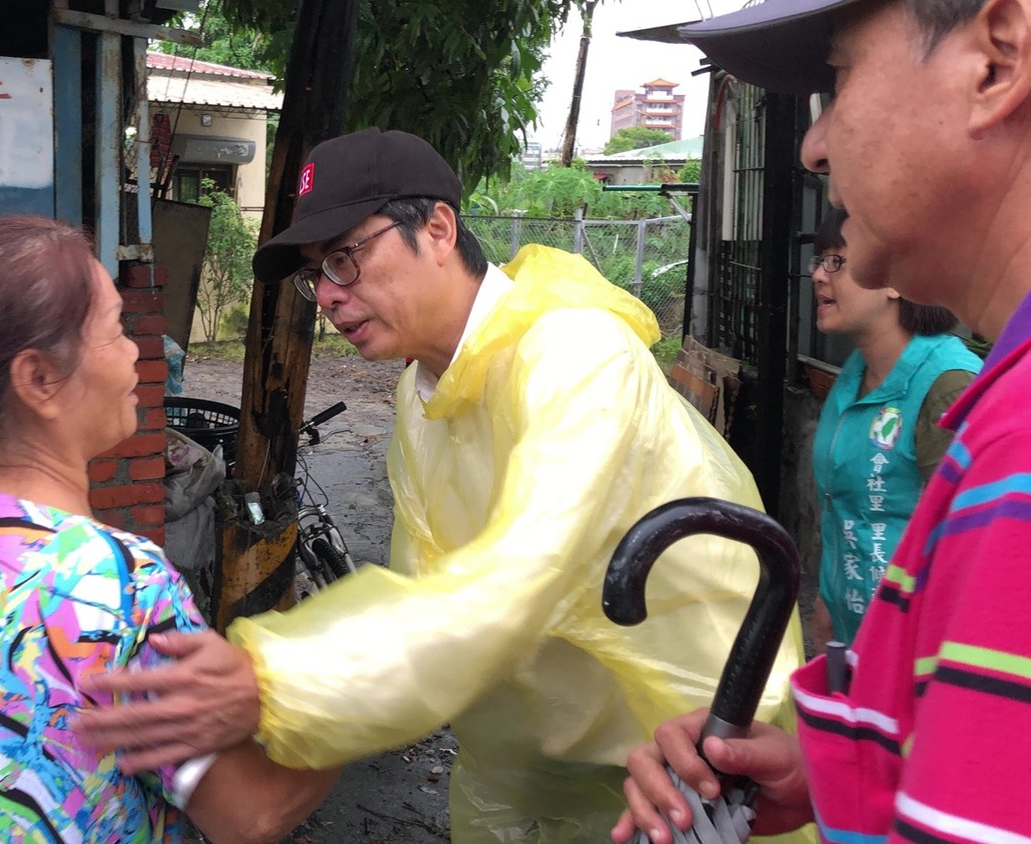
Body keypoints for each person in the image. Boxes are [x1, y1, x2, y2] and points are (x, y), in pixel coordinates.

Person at [74, 128, 808, 843]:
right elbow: (425, 589)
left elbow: (512, 583)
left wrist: (273, 679)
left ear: (438, 227)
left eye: (344, 260)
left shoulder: (574, 358)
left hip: (686, 779)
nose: (326, 297)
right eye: (313, 275)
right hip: (520, 783)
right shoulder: (421, 392)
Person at [616, 1, 1031, 842]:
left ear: (996, 61)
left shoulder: (1007, 442)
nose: (813, 144)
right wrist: (834, 767)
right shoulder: (990, 414)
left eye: (837, 78)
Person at [0, 215, 337, 844]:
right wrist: (358, 703)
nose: (139, 351)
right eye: (115, 329)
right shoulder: (121, 584)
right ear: (37, 379)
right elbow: (250, 815)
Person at [807, 207, 981, 646]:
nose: (819, 276)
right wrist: (829, 601)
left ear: (895, 280)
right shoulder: (853, 375)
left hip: (919, 653)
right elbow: (842, 505)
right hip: (853, 641)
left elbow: (974, 550)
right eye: (819, 260)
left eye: (838, 262)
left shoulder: (947, 386)